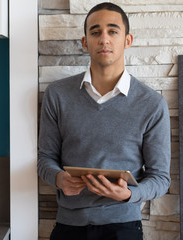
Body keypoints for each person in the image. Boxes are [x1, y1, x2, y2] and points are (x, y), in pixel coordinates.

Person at [37, 2, 171, 240]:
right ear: (85, 42)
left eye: (113, 31)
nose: (104, 39)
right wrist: (59, 179)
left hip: (124, 227)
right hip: (69, 226)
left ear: (127, 40)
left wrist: (128, 194)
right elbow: (45, 159)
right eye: (95, 32)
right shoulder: (57, 95)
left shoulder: (151, 103)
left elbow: (160, 178)